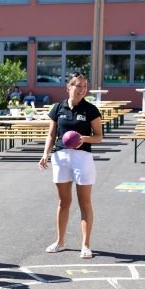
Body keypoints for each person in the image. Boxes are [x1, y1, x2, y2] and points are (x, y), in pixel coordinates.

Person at [38, 73, 102, 259]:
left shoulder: (90, 109)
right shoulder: (58, 108)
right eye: (78, 85)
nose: (82, 89)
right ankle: (60, 242)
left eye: (85, 86)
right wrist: (45, 154)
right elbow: (51, 135)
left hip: (82, 158)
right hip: (61, 157)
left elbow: (99, 136)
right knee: (63, 202)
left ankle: (86, 245)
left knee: (85, 202)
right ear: (69, 87)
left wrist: (84, 139)